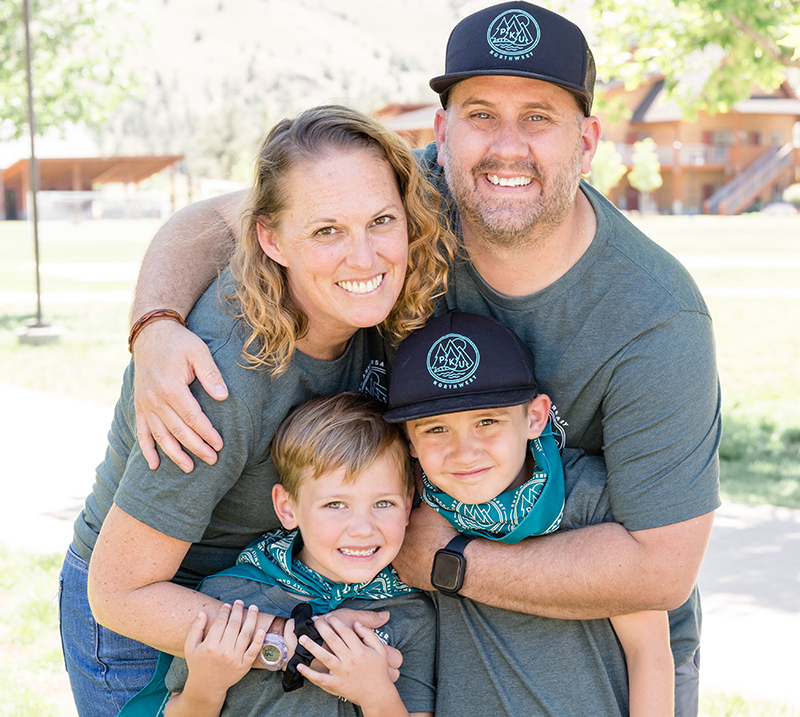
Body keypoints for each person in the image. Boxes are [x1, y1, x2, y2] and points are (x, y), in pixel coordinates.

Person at [123, 3, 721, 715]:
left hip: (598, 654)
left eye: (538, 117)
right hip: (277, 612)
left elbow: (662, 568)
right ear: (441, 132)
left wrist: (444, 560)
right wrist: (154, 327)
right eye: (479, 114)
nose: (506, 146)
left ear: (587, 140)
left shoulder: (658, 319)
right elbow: (208, 223)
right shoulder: (396, 199)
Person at [58, 105, 455, 717]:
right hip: (163, 606)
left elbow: (210, 213)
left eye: (382, 221)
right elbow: (121, 593)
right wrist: (307, 647)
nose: (365, 257)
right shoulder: (221, 383)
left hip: (288, 583)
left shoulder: (370, 306)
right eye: (327, 231)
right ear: (271, 238)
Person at [384, 310, 674, 716]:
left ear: (535, 417)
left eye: (487, 421)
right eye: (436, 429)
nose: (464, 452)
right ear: (409, 441)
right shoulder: (409, 519)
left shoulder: (589, 499)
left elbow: (649, 651)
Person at [125, 393, 435, 717]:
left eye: (383, 503)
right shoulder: (229, 598)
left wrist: (377, 697)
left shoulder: (409, 615)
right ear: (288, 508)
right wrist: (207, 685)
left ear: (409, 502)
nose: (361, 528)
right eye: (335, 504)